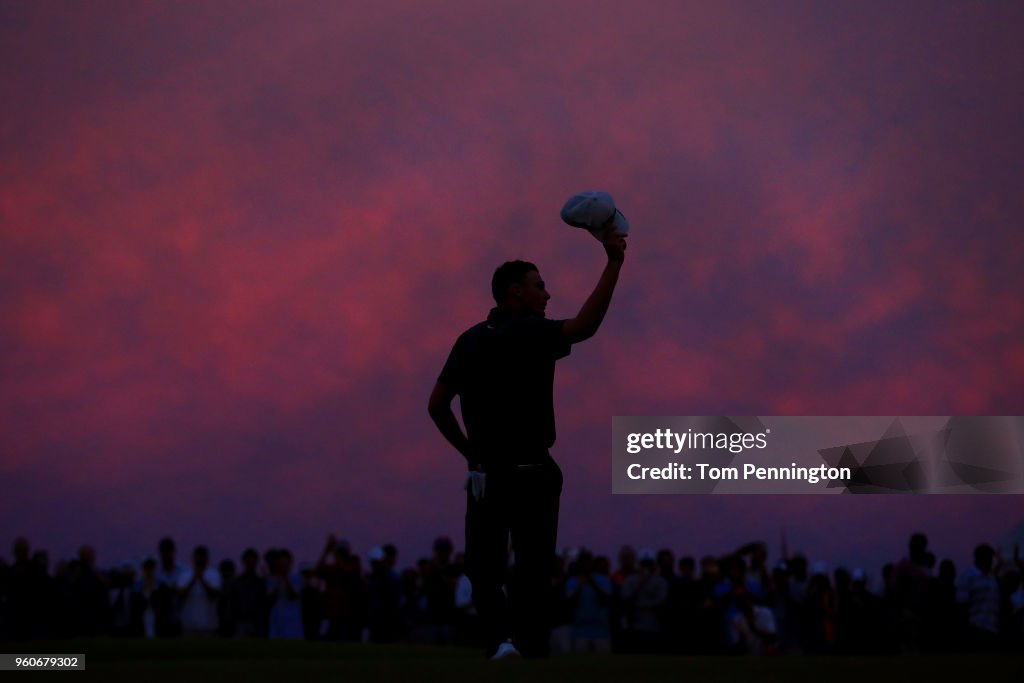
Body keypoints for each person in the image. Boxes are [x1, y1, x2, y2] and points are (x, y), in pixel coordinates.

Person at [428, 202, 627, 659]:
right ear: (515, 293)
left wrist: (469, 453)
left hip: (488, 474)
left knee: (484, 569)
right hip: (533, 470)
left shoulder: (471, 338)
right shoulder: (532, 332)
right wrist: (613, 263)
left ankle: (502, 643)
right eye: (540, 286)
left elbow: (437, 405)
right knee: (532, 570)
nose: (548, 294)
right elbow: (586, 325)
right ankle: (523, 646)